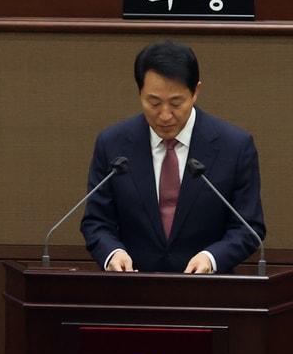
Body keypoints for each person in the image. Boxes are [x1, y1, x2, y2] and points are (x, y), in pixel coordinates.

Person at [80, 41, 264, 274]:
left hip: (210, 293)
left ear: (196, 92)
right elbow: (96, 221)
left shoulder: (234, 147)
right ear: (139, 93)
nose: (165, 115)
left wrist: (212, 258)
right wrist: (113, 253)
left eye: (176, 103)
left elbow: (249, 227)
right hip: (131, 291)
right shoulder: (113, 144)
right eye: (154, 102)